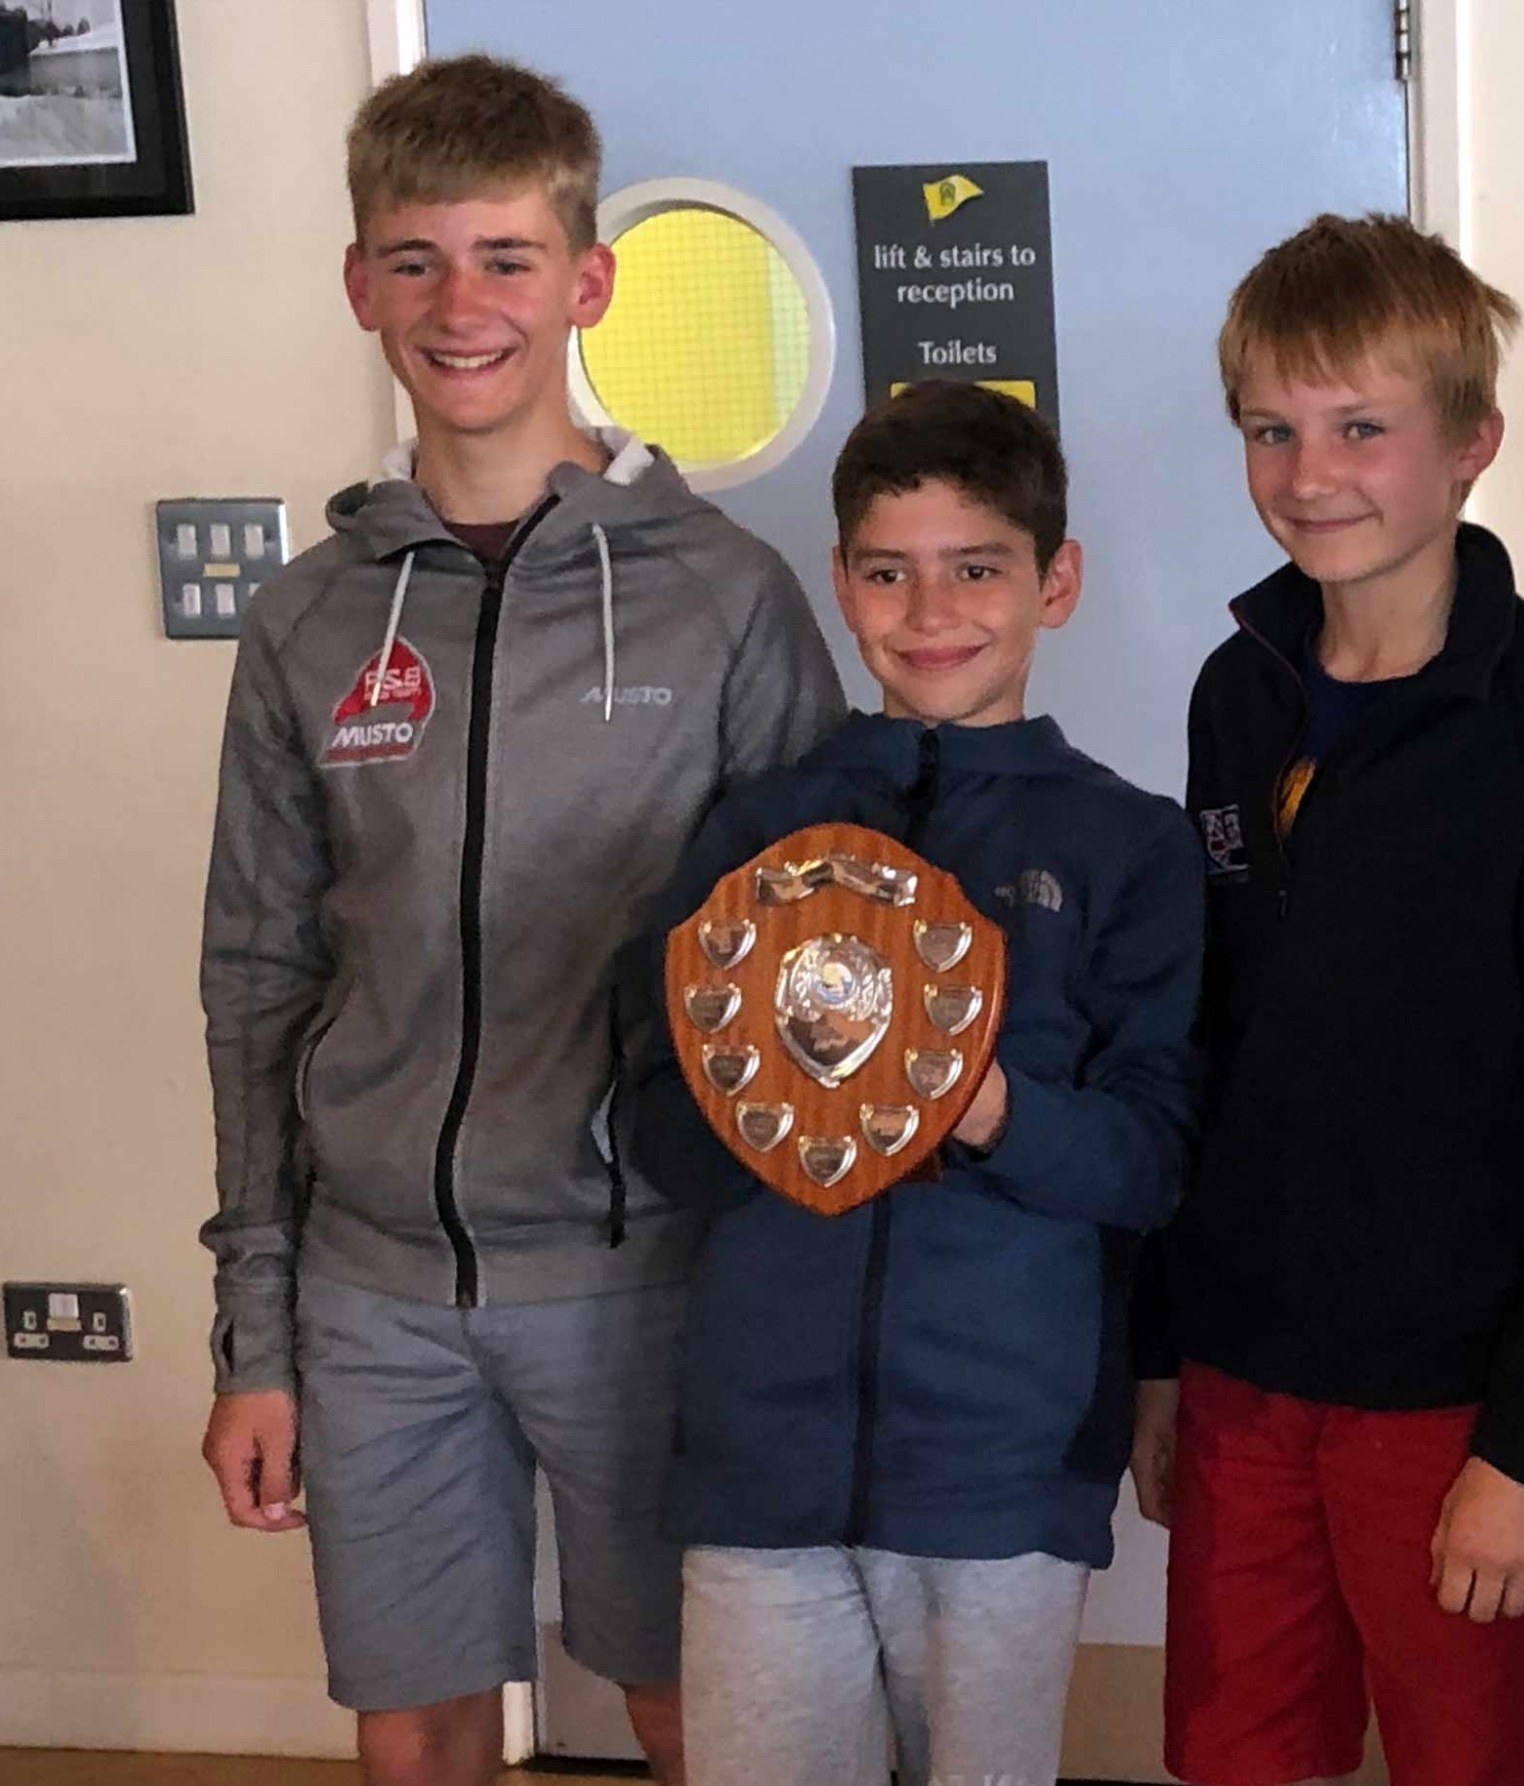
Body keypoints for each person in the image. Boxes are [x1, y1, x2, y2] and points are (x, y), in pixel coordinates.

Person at [196, 54, 843, 1786]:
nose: (459, 303)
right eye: (413, 259)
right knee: (413, 1723)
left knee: (698, 1701)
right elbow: (256, 980)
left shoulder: (726, 596)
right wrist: (257, 1335)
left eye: (502, 255)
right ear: (358, 287)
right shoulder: (311, 620)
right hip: (372, 1281)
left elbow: (813, 974)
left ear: (586, 279)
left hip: (653, 1276)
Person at [1130, 212, 1524, 1786]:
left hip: (1457, 1404)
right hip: (1247, 1375)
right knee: (1241, 1757)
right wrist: (1164, 1350)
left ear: (1470, 443)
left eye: (1361, 427)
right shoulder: (1235, 690)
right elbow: (1209, 1041)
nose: (1311, 472)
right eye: (1273, 427)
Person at [614, 379, 1205, 1786]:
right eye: (889, 570)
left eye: (977, 566)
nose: (930, 608)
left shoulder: (1130, 846)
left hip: (1003, 1463)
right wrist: (770, 1095)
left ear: (1054, 584)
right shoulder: (756, 829)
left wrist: (976, 1103)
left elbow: (1152, 1156)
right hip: (763, 1458)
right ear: (842, 584)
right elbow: (649, 1124)